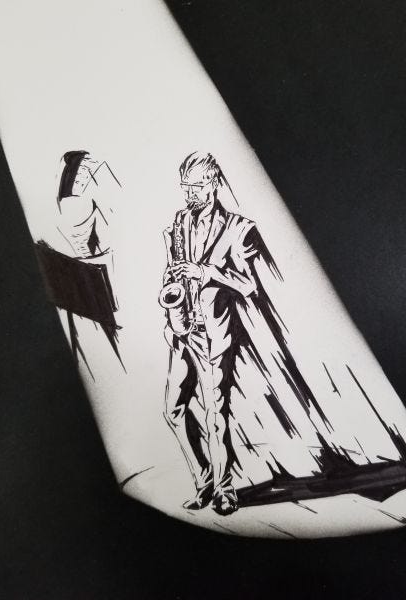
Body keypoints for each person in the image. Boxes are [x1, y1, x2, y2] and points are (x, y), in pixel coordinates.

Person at [161, 151, 273, 516]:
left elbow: (250, 285)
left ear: (214, 183)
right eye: (185, 186)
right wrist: (172, 282)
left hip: (213, 334)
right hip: (182, 329)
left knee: (215, 415)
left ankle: (225, 490)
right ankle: (204, 480)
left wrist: (206, 272)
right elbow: (174, 267)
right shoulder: (180, 220)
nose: (188, 194)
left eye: (195, 186)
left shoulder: (240, 228)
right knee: (173, 410)